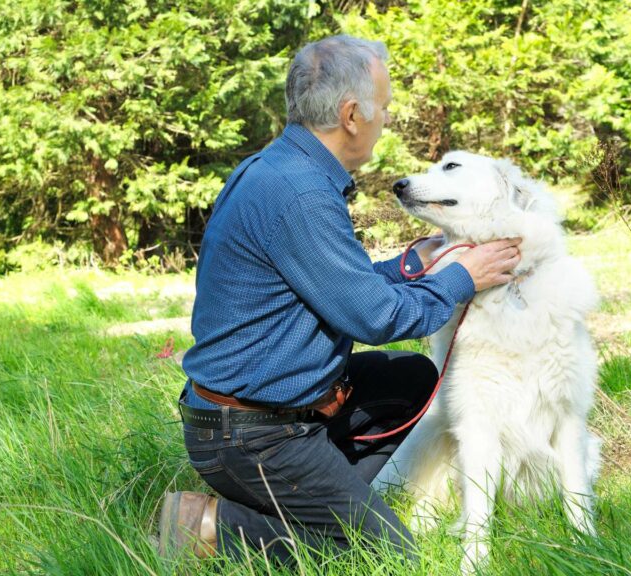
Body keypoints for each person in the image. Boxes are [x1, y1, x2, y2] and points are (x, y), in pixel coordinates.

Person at [157, 34, 522, 564]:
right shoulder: (301, 195)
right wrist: (463, 275)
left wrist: (408, 267)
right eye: (384, 109)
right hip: (254, 437)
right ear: (352, 115)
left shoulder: (280, 169)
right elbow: (377, 316)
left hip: (258, 415)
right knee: (386, 554)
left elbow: (333, 288)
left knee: (413, 380)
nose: (385, 121)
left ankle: (324, 500)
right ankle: (210, 523)